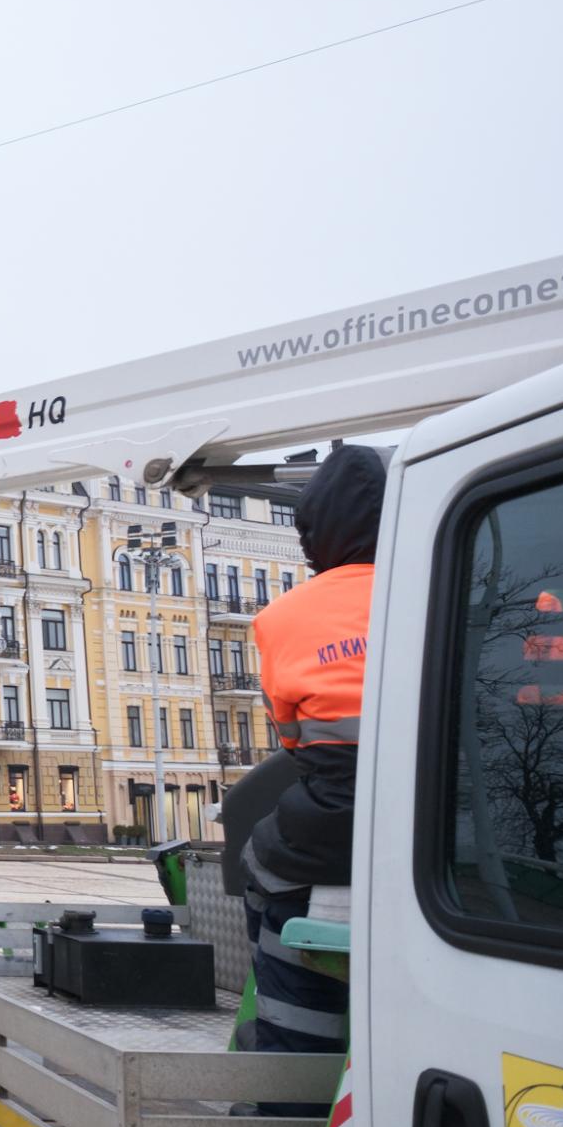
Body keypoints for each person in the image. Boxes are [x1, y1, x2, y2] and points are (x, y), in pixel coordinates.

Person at [241, 445, 385, 1067]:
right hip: (458, 819)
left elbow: (295, 741)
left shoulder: (284, 617)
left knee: (261, 867)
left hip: (339, 818)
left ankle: (294, 1058)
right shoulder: (452, 581)